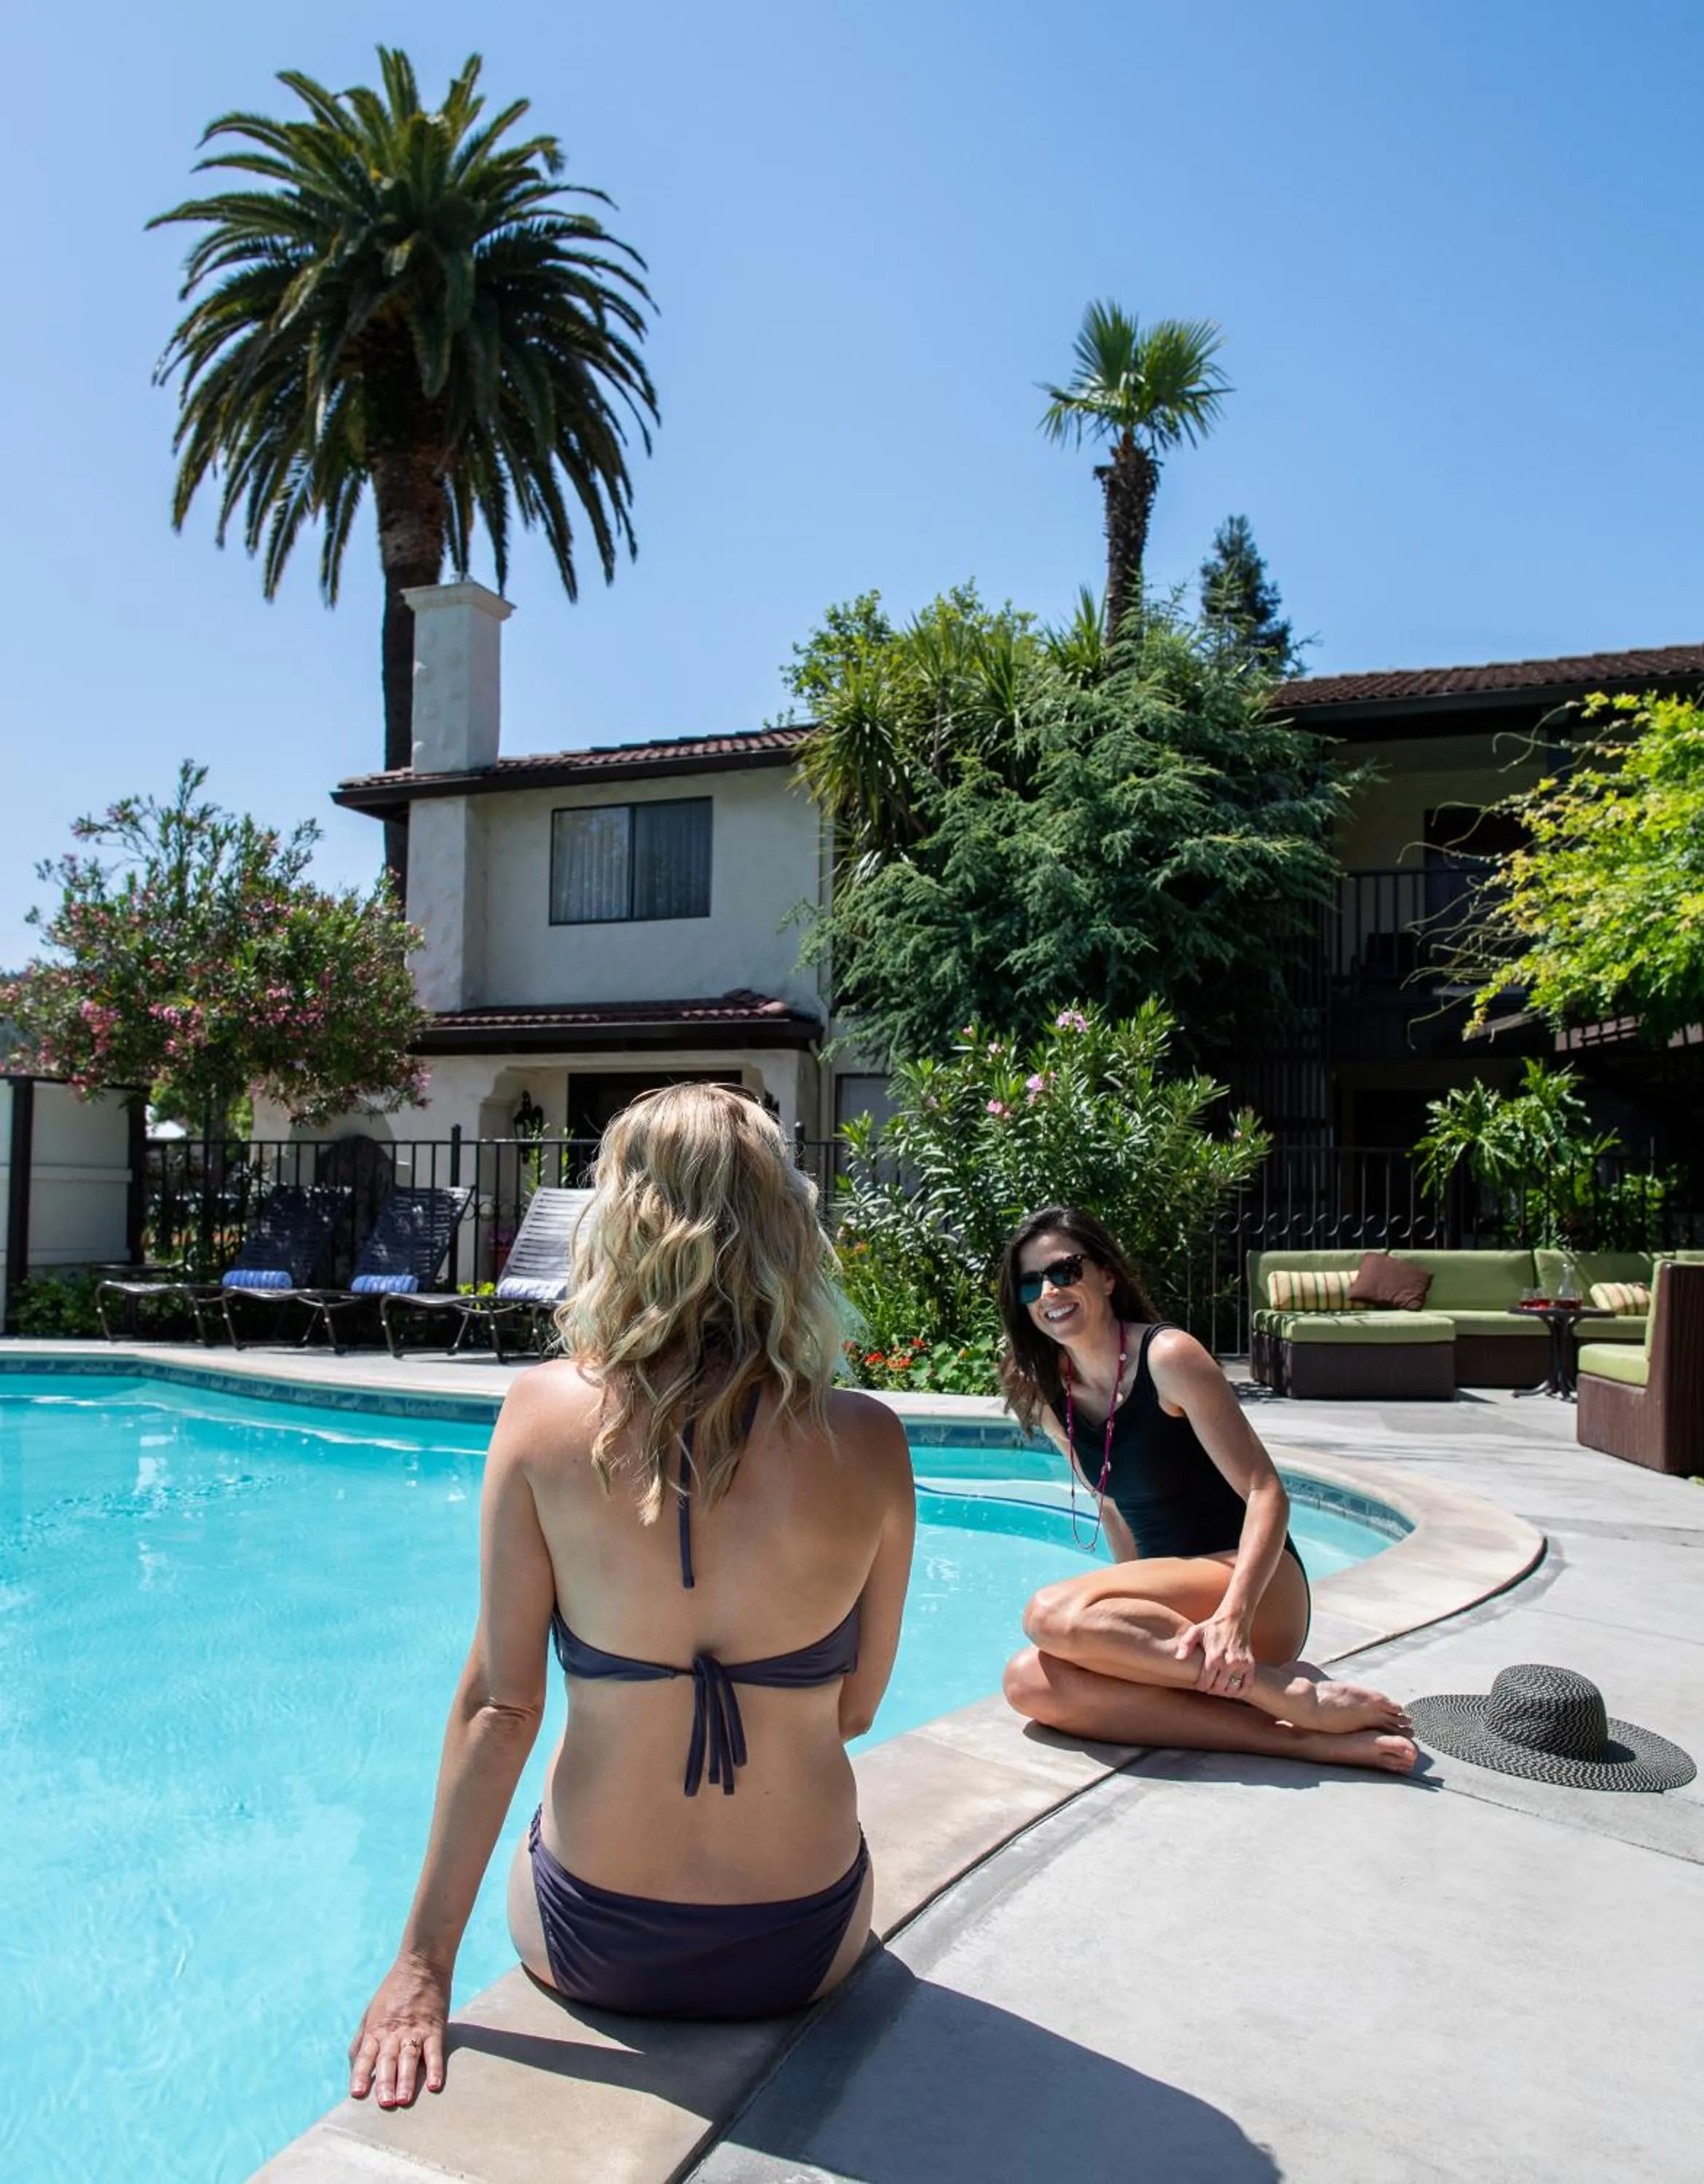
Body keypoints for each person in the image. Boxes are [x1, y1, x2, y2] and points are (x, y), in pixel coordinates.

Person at [349, 1085, 915, 2108]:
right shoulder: (868, 1442)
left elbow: (500, 1709)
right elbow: (858, 1707)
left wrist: (420, 1972)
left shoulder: (540, 1417)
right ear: (790, 1228)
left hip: (589, 1936)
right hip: (802, 1937)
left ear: (620, 1224)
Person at [997, 1206, 1416, 1775]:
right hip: (1180, 1618)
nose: (1050, 1290)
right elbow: (1115, 1509)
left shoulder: (1169, 1358)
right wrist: (1124, 1637)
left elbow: (1268, 1493)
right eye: (1031, 1282)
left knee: (1049, 1614)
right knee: (1028, 1683)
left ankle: (1275, 1689)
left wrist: (1233, 1622)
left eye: (1065, 1271)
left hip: (1256, 1592)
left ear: (1107, 1276)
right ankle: (1294, 1730)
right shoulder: (1049, 1390)